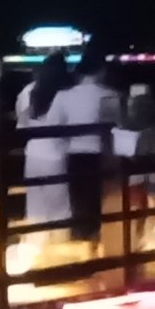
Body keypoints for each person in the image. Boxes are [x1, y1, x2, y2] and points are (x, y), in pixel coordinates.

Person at [54, 54, 115, 246]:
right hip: (100, 153)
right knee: (98, 198)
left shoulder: (64, 95)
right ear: (101, 71)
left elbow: (55, 125)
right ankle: (96, 240)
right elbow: (114, 126)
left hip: (74, 152)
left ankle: (80, 238)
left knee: (77, 198)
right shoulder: (109, 95)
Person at [19, 54, 72, 255]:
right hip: (55, 154)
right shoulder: (64, 94)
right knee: (59, 209)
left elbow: (21, 124)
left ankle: (36, 253)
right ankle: (59, 255)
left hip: (32, 154)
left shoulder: (29, 92)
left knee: (35, 208)